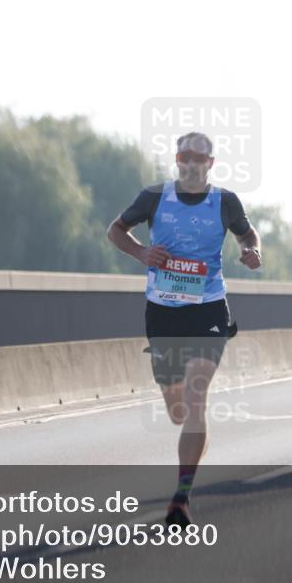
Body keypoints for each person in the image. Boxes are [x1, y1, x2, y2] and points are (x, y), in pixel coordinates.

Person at [106, 131, 261, 527]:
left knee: (196, 394)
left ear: (211, 163)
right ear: (177, 160)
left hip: (208, 308)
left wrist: (251, 250)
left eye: (199, 157)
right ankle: (181, 460)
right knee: (176, 408)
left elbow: (247, 233)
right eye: (183, 156)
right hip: (162, 310)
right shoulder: (154, 196)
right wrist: (142, 252)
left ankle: (181, 497)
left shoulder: (225, 201)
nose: (190, 162)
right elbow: (115, 230)